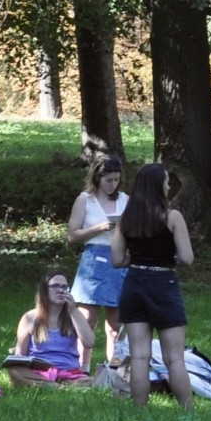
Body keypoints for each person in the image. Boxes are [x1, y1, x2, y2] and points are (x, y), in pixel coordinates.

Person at [108, 161, 196, 410]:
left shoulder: (126, 220)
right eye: (167, 182)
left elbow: (116, 260)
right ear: (158, 186)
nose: (169, 186)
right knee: (174, 357)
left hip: (134, 285)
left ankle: (139, 411)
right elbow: (187, 258)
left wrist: (136, 259)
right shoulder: (172, 217)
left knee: (138, 356)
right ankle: (188, 411)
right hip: (163, 285)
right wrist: (168, 258)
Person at [65, 154, 128, 370]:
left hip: (118, 259)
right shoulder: (85, 199)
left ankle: (114, 369)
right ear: (97, 178)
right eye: (108, 180)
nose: (112, 185)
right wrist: (98, 228)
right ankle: (82, 368)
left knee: (116, 325)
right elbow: (72, 236)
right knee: (87, 320)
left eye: (116, 180)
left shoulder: (124, 200)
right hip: (93, 261)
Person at [3, 272, 95, 387]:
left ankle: (58, 385)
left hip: (69, 371)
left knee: (98, 381)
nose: (61, 290)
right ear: (44, 291)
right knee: (15, 371)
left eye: (64, 287)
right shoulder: (30, 317)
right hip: (39, 372)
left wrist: (73, 311)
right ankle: (59, 386)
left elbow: (89, 342)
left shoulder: (74, 315)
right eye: (55, 286)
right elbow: (20, 354)